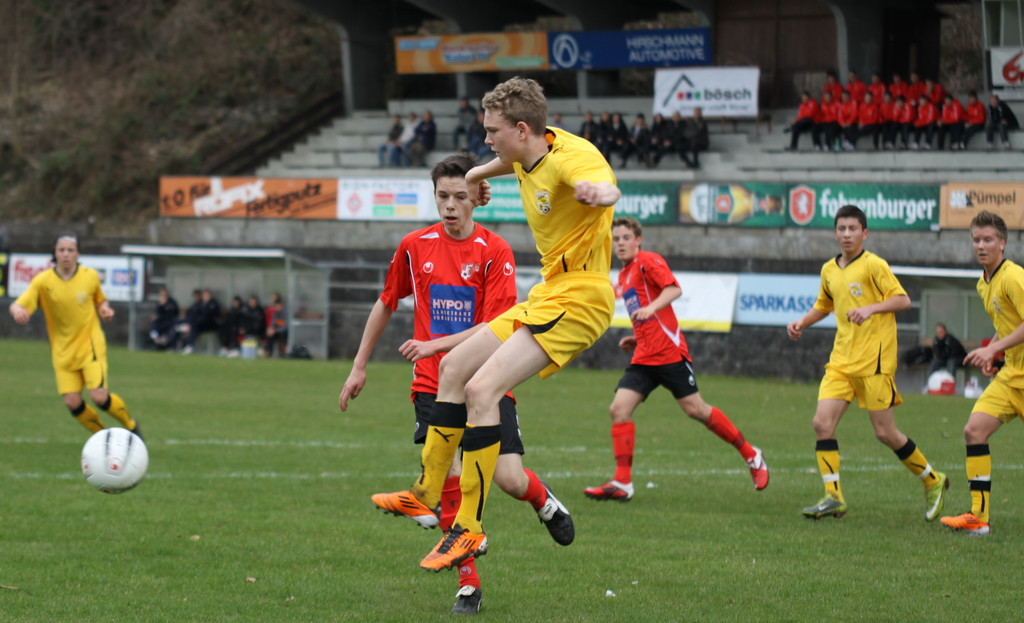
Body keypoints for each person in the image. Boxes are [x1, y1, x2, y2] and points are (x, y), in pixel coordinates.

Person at [374, 76, 620, 572]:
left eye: (492, 131)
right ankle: (425, 491)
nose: (485, 138)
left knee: (482, 390)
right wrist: (476, 176)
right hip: (550, 293)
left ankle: (468, 527)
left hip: (581, 298)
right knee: (453, 369)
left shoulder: (574, 159)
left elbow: (604, 185)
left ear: (522, 129)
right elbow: (512, 162)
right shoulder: (528, 152)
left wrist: (598, 192)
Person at [344, 154, 555, 615]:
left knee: (509, 478)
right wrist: (359, 366)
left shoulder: (494, 251)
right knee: (451, 476)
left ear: (478, 198)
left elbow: (497, 327)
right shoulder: (414, 246)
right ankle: (468, 585)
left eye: (460, 196)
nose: (450, 205)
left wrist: (436, 344)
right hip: (431, 384)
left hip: (487, 382)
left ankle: (544, 501)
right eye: (443, 196)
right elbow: (386, 301)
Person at [583, 217, 769, 502]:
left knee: (697, 410)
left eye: (625, 238)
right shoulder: (624, 275)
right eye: (616, 239)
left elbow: (673, 289)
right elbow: (648, 315)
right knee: (619, 409)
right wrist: (637, 337)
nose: (620, 243)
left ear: (638, 240)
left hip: (669, 353)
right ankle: (622, 482)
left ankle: (751, 454)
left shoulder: (647, 261)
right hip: (644, 356)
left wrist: (650, 309)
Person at [787, 204, 948, 521]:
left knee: (885, 433)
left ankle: (933, 479)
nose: (847, 234)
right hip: (841, 361)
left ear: (865, 233)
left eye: (853, 229)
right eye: (842, 229)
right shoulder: (829, 270)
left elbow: (903, 300)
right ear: (835, 233)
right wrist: (802, 322)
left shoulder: (874, 265)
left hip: (874, 362)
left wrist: (871, 309)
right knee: (822, 424)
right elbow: (824, 304)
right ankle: (833, 497)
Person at [941, 211, 1024, 535]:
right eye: (976, 239)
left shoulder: (1013, 277)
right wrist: (996, 351)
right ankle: (979, 516)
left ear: (1002, 243)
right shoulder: (983, 283)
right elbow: (1009, 324)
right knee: (974, 430)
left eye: (988, 239)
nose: (981, 245)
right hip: (1011, 376)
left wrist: (992, 349)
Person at [8, 234, 140, 437]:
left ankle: (131, 426)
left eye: (70, 250)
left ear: (78, 254)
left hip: (90, 346)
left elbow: (101, 300)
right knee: (72, 402)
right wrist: (17, 311)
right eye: (61, 250)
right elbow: (17, 304)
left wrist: (105, 310)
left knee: (99, 396)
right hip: (62, 351)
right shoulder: (43, 281)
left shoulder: (90, 276)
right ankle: (103, 438)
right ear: (55, 253)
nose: (66, 254)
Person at [183, 288, 221, 355]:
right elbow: (192, 313)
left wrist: (194, 322)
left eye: (207, 295)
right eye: (205, 295)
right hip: (200, 325)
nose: (206, 297)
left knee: (194, 326)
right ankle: (189, 345)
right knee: (193, 326)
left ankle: (190, 345)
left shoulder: (213, 303)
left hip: (210, 325)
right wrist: (190, 323)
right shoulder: (199, 304)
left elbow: (208, 315)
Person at [266, 293, 288, 358]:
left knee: (282, 335)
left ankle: (282, 353)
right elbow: (273, 323)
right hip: (277, 331)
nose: (276, 307)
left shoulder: (285, 313)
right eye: (275, 306)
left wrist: (275, 329)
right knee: (269, 334)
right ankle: (269, 352)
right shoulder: (275, 314)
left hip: (283, 332)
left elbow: (285, 326)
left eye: (278, 306)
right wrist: (271, 329)